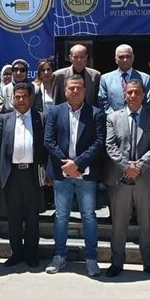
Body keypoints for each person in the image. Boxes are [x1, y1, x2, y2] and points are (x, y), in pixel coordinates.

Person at [44, 75, 105, 277]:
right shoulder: (55, 112)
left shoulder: (95, 113)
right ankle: (59, 256)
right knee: (61, 217)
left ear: (85, 91)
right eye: (72, 88)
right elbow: (49, 141)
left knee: (89, 216)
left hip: (85, 174)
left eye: (79, 88)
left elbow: (98, 142)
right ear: (65, 90)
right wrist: (66, 165)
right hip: (62, 175)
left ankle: (91, 259)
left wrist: (77, 164)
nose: (75, 91)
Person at [103, 79, 150, 278]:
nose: (132, 96)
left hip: (145, 179)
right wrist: (126, 166)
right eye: (129, 92)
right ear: (124, 94)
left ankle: (149, 263)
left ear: (144, 94)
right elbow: (110, 146)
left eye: (137, 92)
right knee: (119, 224)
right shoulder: (113, 117)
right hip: (120, 178)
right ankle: (116, 262)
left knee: (147, 224)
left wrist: (139, 166)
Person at [0, 83, 47, 267]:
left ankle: (31, 253)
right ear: (12, 98)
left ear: (31, 98)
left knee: (32, 216)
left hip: (32, 173)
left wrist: (48, 173)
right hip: (11, 174)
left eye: (24, 96)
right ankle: (16, 252)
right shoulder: (4, 118)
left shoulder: (40, 118)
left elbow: (47, 147)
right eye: (17, 96)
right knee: (13, 216)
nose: (21, 100)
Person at [98, 44, 150, 114]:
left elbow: (147, 102)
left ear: (133, 58)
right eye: (121, 57)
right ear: (116, 60)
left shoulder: (145, 78)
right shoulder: (105, 79)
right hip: (113, 119)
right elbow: (103, 103)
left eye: (128, 56)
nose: (125, 60)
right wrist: (115, 117)